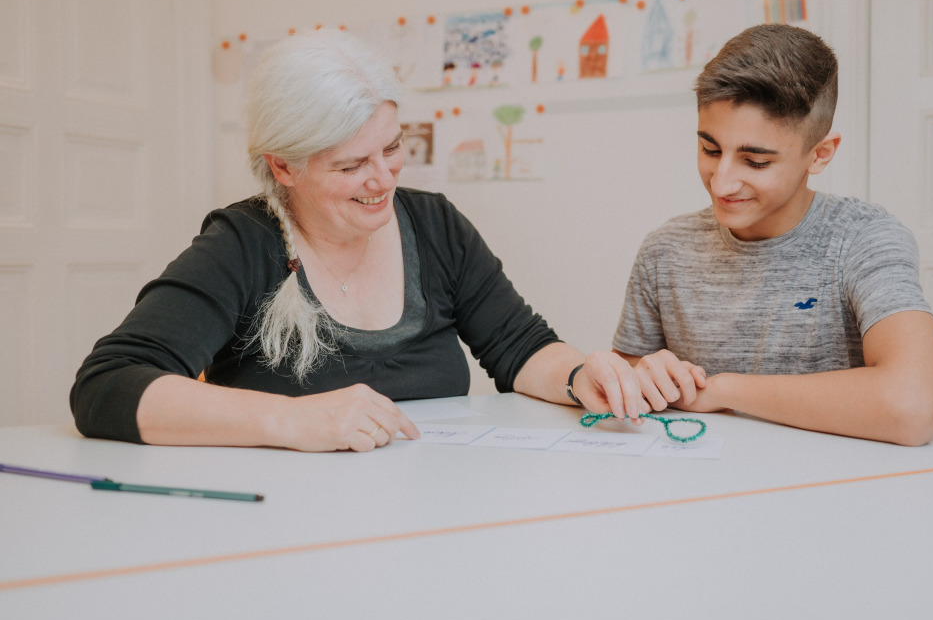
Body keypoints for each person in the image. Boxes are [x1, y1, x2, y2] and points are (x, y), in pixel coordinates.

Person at [70, 29, 644, 453]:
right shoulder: (243, 245)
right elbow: (107, 386)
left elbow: (520, 347)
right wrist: (293, 420)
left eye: (392, 148)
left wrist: (577, 376)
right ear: (285, 167)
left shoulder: (436, 227)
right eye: (350, 166)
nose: (383, 179)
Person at [613, 24, 933, 446]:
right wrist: (640, 378)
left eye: (754, 162)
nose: (722, 183)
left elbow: (912, 405)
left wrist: (720, 390)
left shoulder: (864, 239)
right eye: (710, 150)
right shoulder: (664, 250)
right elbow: (623, 385)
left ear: (820, 154)